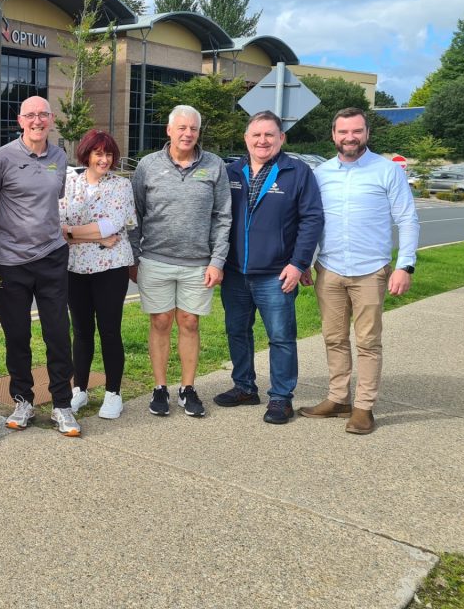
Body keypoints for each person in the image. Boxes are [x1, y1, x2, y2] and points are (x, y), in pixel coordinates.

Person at [299, 107, 419, 435]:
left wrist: (405, 266)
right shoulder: (320, 174)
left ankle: (364, 407)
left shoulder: (387, 171)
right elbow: (312, 221)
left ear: (367, 133)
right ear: (333, 135)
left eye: (356, 131)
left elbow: (407, 219)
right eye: (343, 132)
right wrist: (306, 261)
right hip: (330, 270)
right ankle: (338, 399)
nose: (350, 137)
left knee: (368, 341)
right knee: (334, 337)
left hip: (370, 271)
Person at [217, 111, 323, 424]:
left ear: (281, 138)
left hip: (277, 274)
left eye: (269, 135)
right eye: (256, 135)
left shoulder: (297, 172)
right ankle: (244, 387)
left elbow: (312, 218)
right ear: (246, 139)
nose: (262, 141)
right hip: (235, 271)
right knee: (237, 331)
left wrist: (299, 263)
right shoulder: (231, 172)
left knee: (280, 337)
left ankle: (280, 398)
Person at [129, 104, 231, 418]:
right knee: (160, 322)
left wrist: (217, 261)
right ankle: (160, 388)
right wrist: (133, 257)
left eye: (194, 129)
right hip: (155, 260)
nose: (188, 134)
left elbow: (223, 217)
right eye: (182, 128)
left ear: (199, 133)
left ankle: (188, 388)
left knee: (190, 323)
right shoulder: (147, 165)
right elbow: (135, 216)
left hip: (198, 263)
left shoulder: (214, 165)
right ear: (169, 130)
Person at [0, 95, 80, 437]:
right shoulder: (0, 158)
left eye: (43, 114)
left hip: (52, 256)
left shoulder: (59, 156)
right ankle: (22, 400)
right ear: (19, 120)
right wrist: (14, 236)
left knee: (57, 332)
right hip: (10, 262)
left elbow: (52, 201)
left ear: (51, 119)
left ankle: (61, 404)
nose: (37, 120)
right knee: (17, 335)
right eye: (31, 115)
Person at [59, 129, 136, 420]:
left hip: (110, 267)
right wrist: (92, 236)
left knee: (109, 330)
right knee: (80, 331)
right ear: (87, 154)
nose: (104, 159)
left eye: (108, 154)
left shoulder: (120, 186)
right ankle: (80, 388)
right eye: (98, 153)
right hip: (74, 267)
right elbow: (57, 225)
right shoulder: (69, 183)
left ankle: (113, 393)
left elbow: (113, 225)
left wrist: (74, 233)